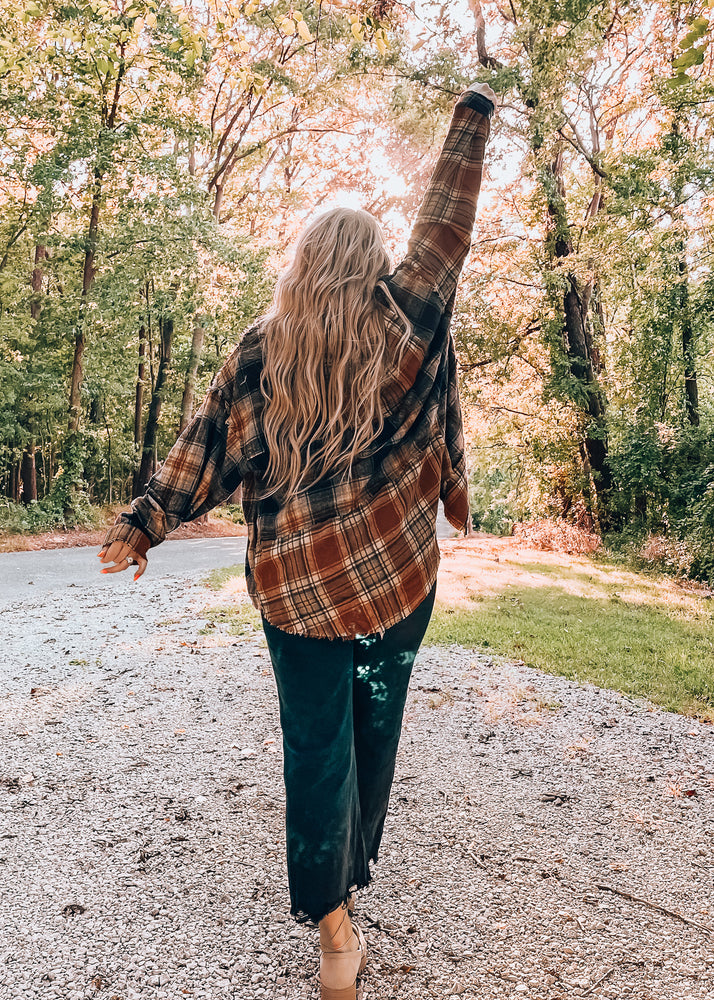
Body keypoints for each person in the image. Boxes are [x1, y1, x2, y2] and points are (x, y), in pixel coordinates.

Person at [98, 79, 496, 1000]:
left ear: (304, 261)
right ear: (373, 261)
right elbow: (451, 218)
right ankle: (351, 874)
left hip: (295, 592)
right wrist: (470, 114)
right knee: (374, 730)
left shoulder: (261, 346)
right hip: (398, 583)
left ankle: (333, 928)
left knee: (314, 743)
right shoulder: (410, 325)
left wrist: (144, 522)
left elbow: (204, 452)